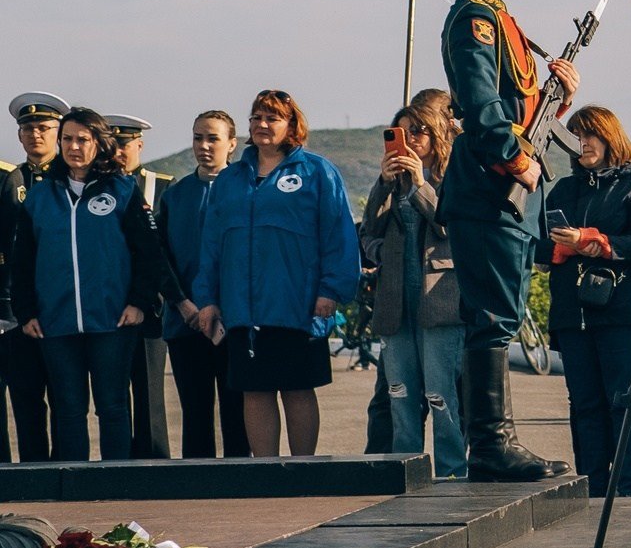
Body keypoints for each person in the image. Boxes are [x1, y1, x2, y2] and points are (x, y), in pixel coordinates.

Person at [438, 0, 578, 482]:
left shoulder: (499, 17)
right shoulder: (474, 17)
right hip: (490, 187)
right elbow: (478, 101)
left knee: (499, 313)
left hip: (501, 192)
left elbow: (517, 103)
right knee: (494, 318)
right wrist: (515, 156)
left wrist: (557, 99)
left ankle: (495, 444)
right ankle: (492, 446)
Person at [192, 91, 361, 458]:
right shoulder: (230, 180)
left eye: (272, 118)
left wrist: (331, 289)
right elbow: (211, 247)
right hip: (244, 308)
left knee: (297, 389)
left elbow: (339, 236)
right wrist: (206, 299)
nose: (262, 125)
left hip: (298, 303)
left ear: (291, 125)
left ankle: (304, 468)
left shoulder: (317, 172)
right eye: (256, 118)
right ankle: (265, 471)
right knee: (255, 390)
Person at [5, 108, 169, 460]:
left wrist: (139, 301)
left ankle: (115, 483)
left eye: (83, 139)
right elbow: (23, 263)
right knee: (68, 408)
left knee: (112, 406)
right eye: (67, 139)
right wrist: (27, 311)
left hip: (111, 320)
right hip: (56, 321)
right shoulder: (40, 196)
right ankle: (75, 487)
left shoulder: (123, 190)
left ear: (99, 143)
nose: (73, 146)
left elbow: (148, 253)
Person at [540, 106, 631, 497]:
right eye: (575, 136)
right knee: (584, 405)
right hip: (572, 314)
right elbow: (538, 246)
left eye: (589, 134)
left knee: (624, 402)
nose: (582, 144)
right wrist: (557, 248)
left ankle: (629, 489)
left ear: (609, 136)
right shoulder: (563, 188)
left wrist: (593, 242)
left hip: (620, 313)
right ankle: (593, 488)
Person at [361, 105, 466, 476]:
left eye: (420, 130)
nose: (411, 139)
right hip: (395, 301)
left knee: (442, 397)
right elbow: (368, 233)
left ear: (438, 133)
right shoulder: (393, 181)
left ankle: (454, 472)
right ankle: (405, 473)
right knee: (400, 395)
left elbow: (449, 227)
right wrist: (383, 183)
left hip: (439, 301)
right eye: (402, 132)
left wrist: (421, 185)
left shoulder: (453, 176)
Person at [162, 110, 247, 459]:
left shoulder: (246, 190)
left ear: (232, 144)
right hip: (186, 321)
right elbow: (162, 258)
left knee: (236, 411)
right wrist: (183, 304)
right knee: (195, 413)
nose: (204, 146)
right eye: (198, 138)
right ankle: (195, 487)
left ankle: (241, 481)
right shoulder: (175, 194)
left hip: (234, 321)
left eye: (213, 138)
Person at [92, 115, 174, 460]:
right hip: (108, 306)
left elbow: (167, 251)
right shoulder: (96, 187)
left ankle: (154, 464)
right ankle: (120, 462)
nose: (119, 152)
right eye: (113, 144)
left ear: (139, 145)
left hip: (150, 307)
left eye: (125, 144)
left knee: (149, 395)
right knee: (111, 396)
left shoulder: (162, 186)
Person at [2, 91, 68, 460]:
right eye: (28, 128)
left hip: (63, 309)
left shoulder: (70, 179)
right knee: (27, 400)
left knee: (66, 400)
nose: (35, 135)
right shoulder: (11, 181)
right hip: (20, 312)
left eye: (43, 127)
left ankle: (68, 469)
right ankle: (34, 473)